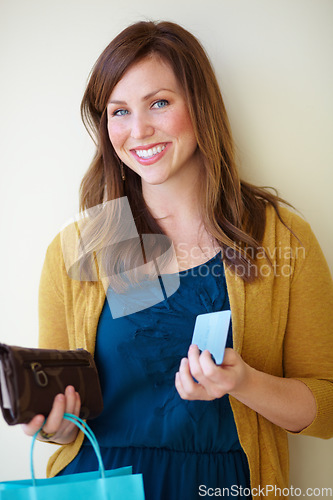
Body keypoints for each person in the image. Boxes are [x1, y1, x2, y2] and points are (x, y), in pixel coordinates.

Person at [23, 20, 333, 499]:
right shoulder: (77, 251)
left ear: (200, 106)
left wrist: (244, 382)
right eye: (119, 111)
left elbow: (327, 407)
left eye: (159, 103)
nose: (139, 130)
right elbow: (65, 423)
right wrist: (57, 426)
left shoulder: (279, 238)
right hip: (100, 485)